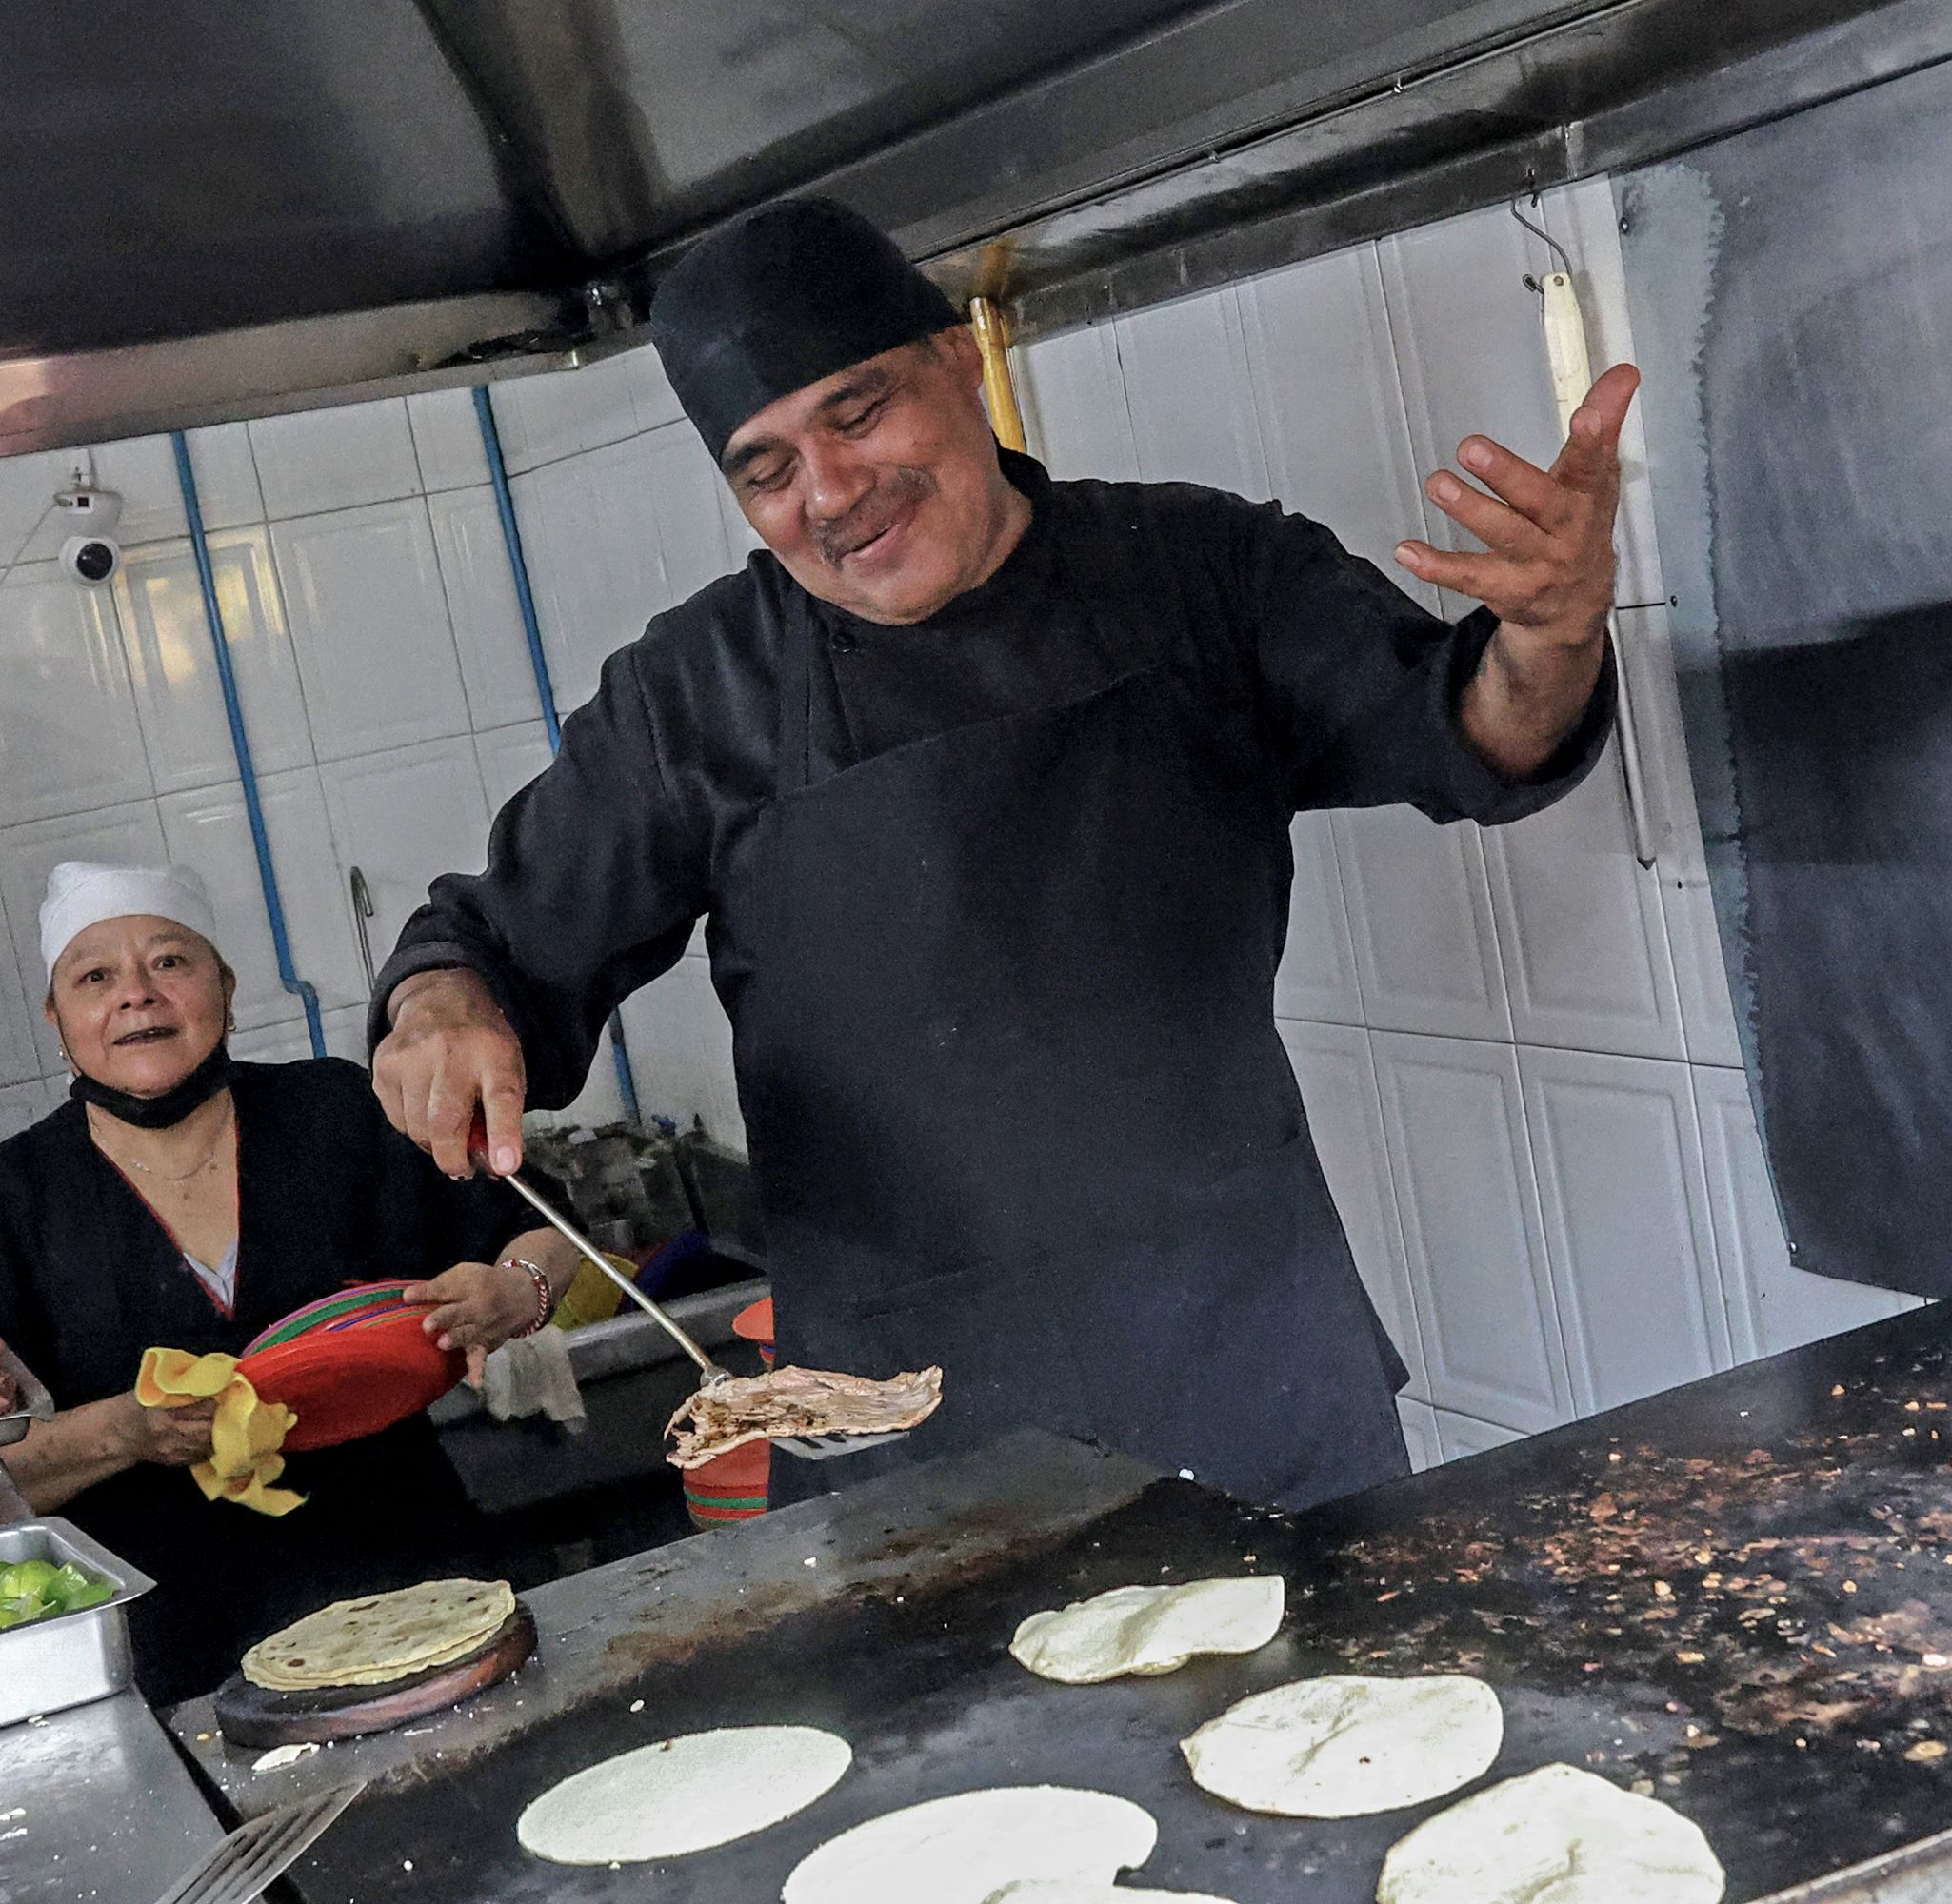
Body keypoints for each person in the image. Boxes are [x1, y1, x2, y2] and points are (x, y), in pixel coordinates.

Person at [370, 198, 1633, 1512]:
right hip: (905, 1430)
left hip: (1249, 1362)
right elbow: (491, 946)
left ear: (960, 363)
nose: (832, 493)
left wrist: (1552, 634)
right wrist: (440, 1009)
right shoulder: (698, 693)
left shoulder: (1201, 570)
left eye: (858, 415)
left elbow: (1471, 735)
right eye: (768, 469)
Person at [0, 863, 582, 1702]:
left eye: (170, 963)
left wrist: (519, 1291)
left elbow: (546, 1225)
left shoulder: (334, 1110)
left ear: (223, 986)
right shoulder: (7, 1204)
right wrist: (124, 1432)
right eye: (95, 977)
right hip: (176, 1662)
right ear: (58, 1018)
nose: (137, 996)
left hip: (421, 1591)